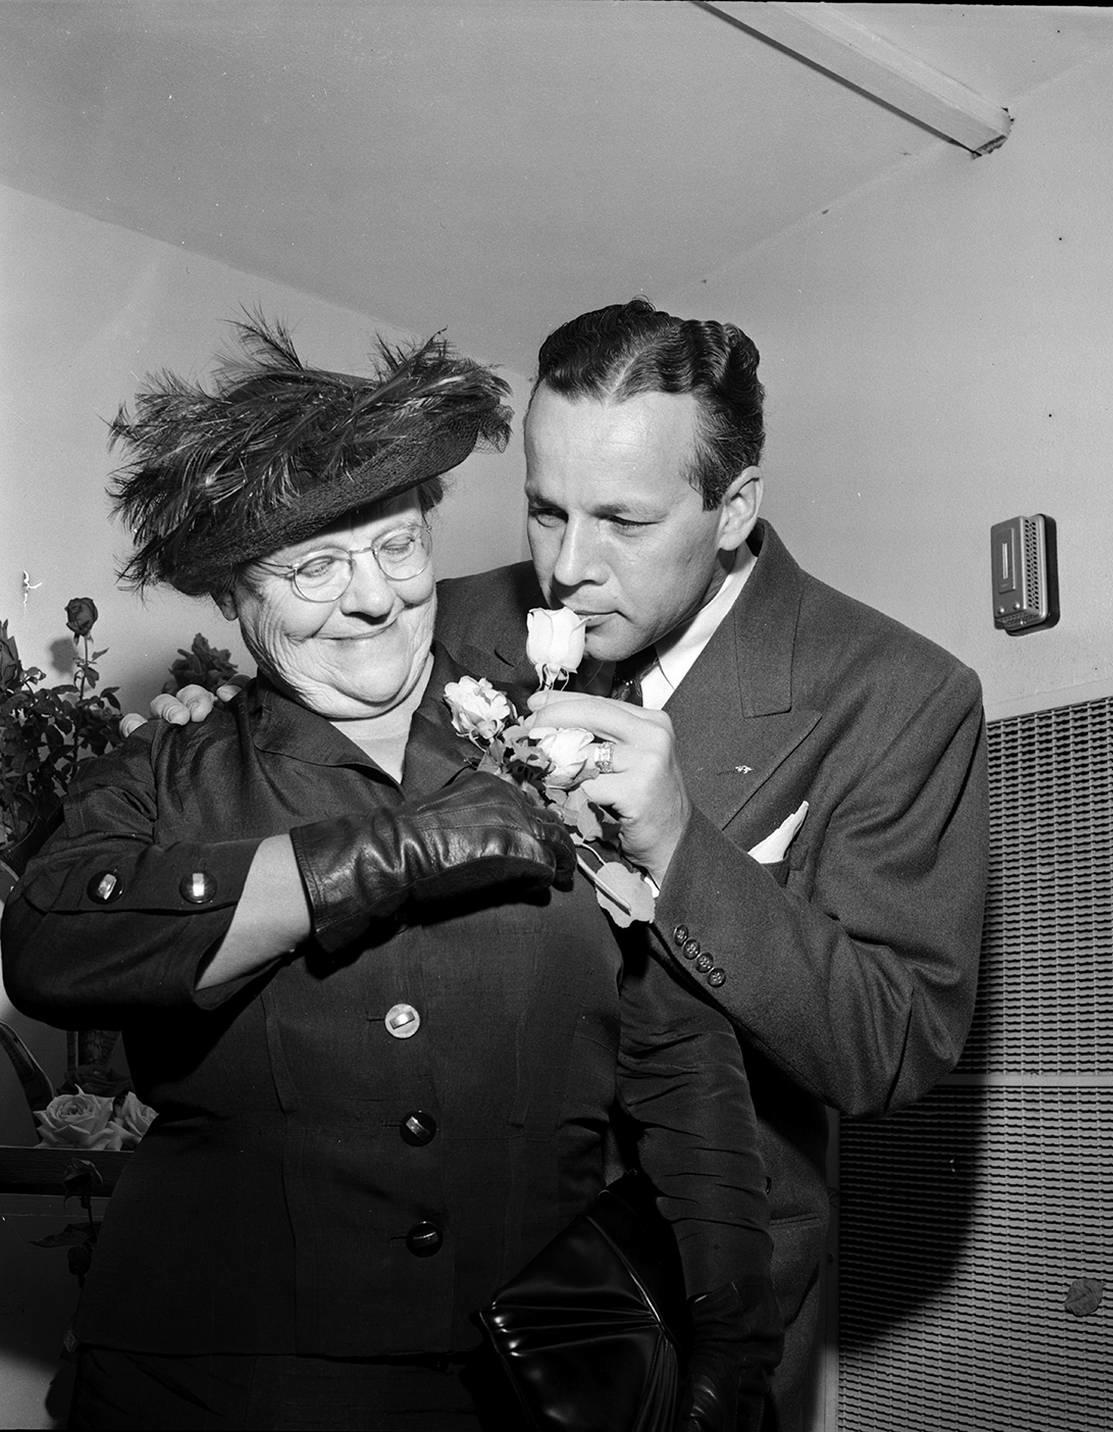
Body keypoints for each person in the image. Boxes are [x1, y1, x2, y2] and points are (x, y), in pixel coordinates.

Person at [134, 298, 990, 1431]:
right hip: (419, 1311)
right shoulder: (442, 619)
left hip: (675, 1321)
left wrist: (682, 844)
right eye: (544, 510)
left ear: (733, 509)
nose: (569, 568)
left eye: (623, 522)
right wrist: (221, 745)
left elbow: (891, 1044)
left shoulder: (900, 694)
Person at [1, 315, 783, 1431]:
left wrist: (731, 1332)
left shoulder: (562, 742)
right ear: (233, 596)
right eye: (314, 566)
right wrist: (379, 857)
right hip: (216, 1382)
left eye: (397, 547)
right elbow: (48, 945)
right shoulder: (164, 774)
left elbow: (678, 1062)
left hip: (517, 1389)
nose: (371, 598)